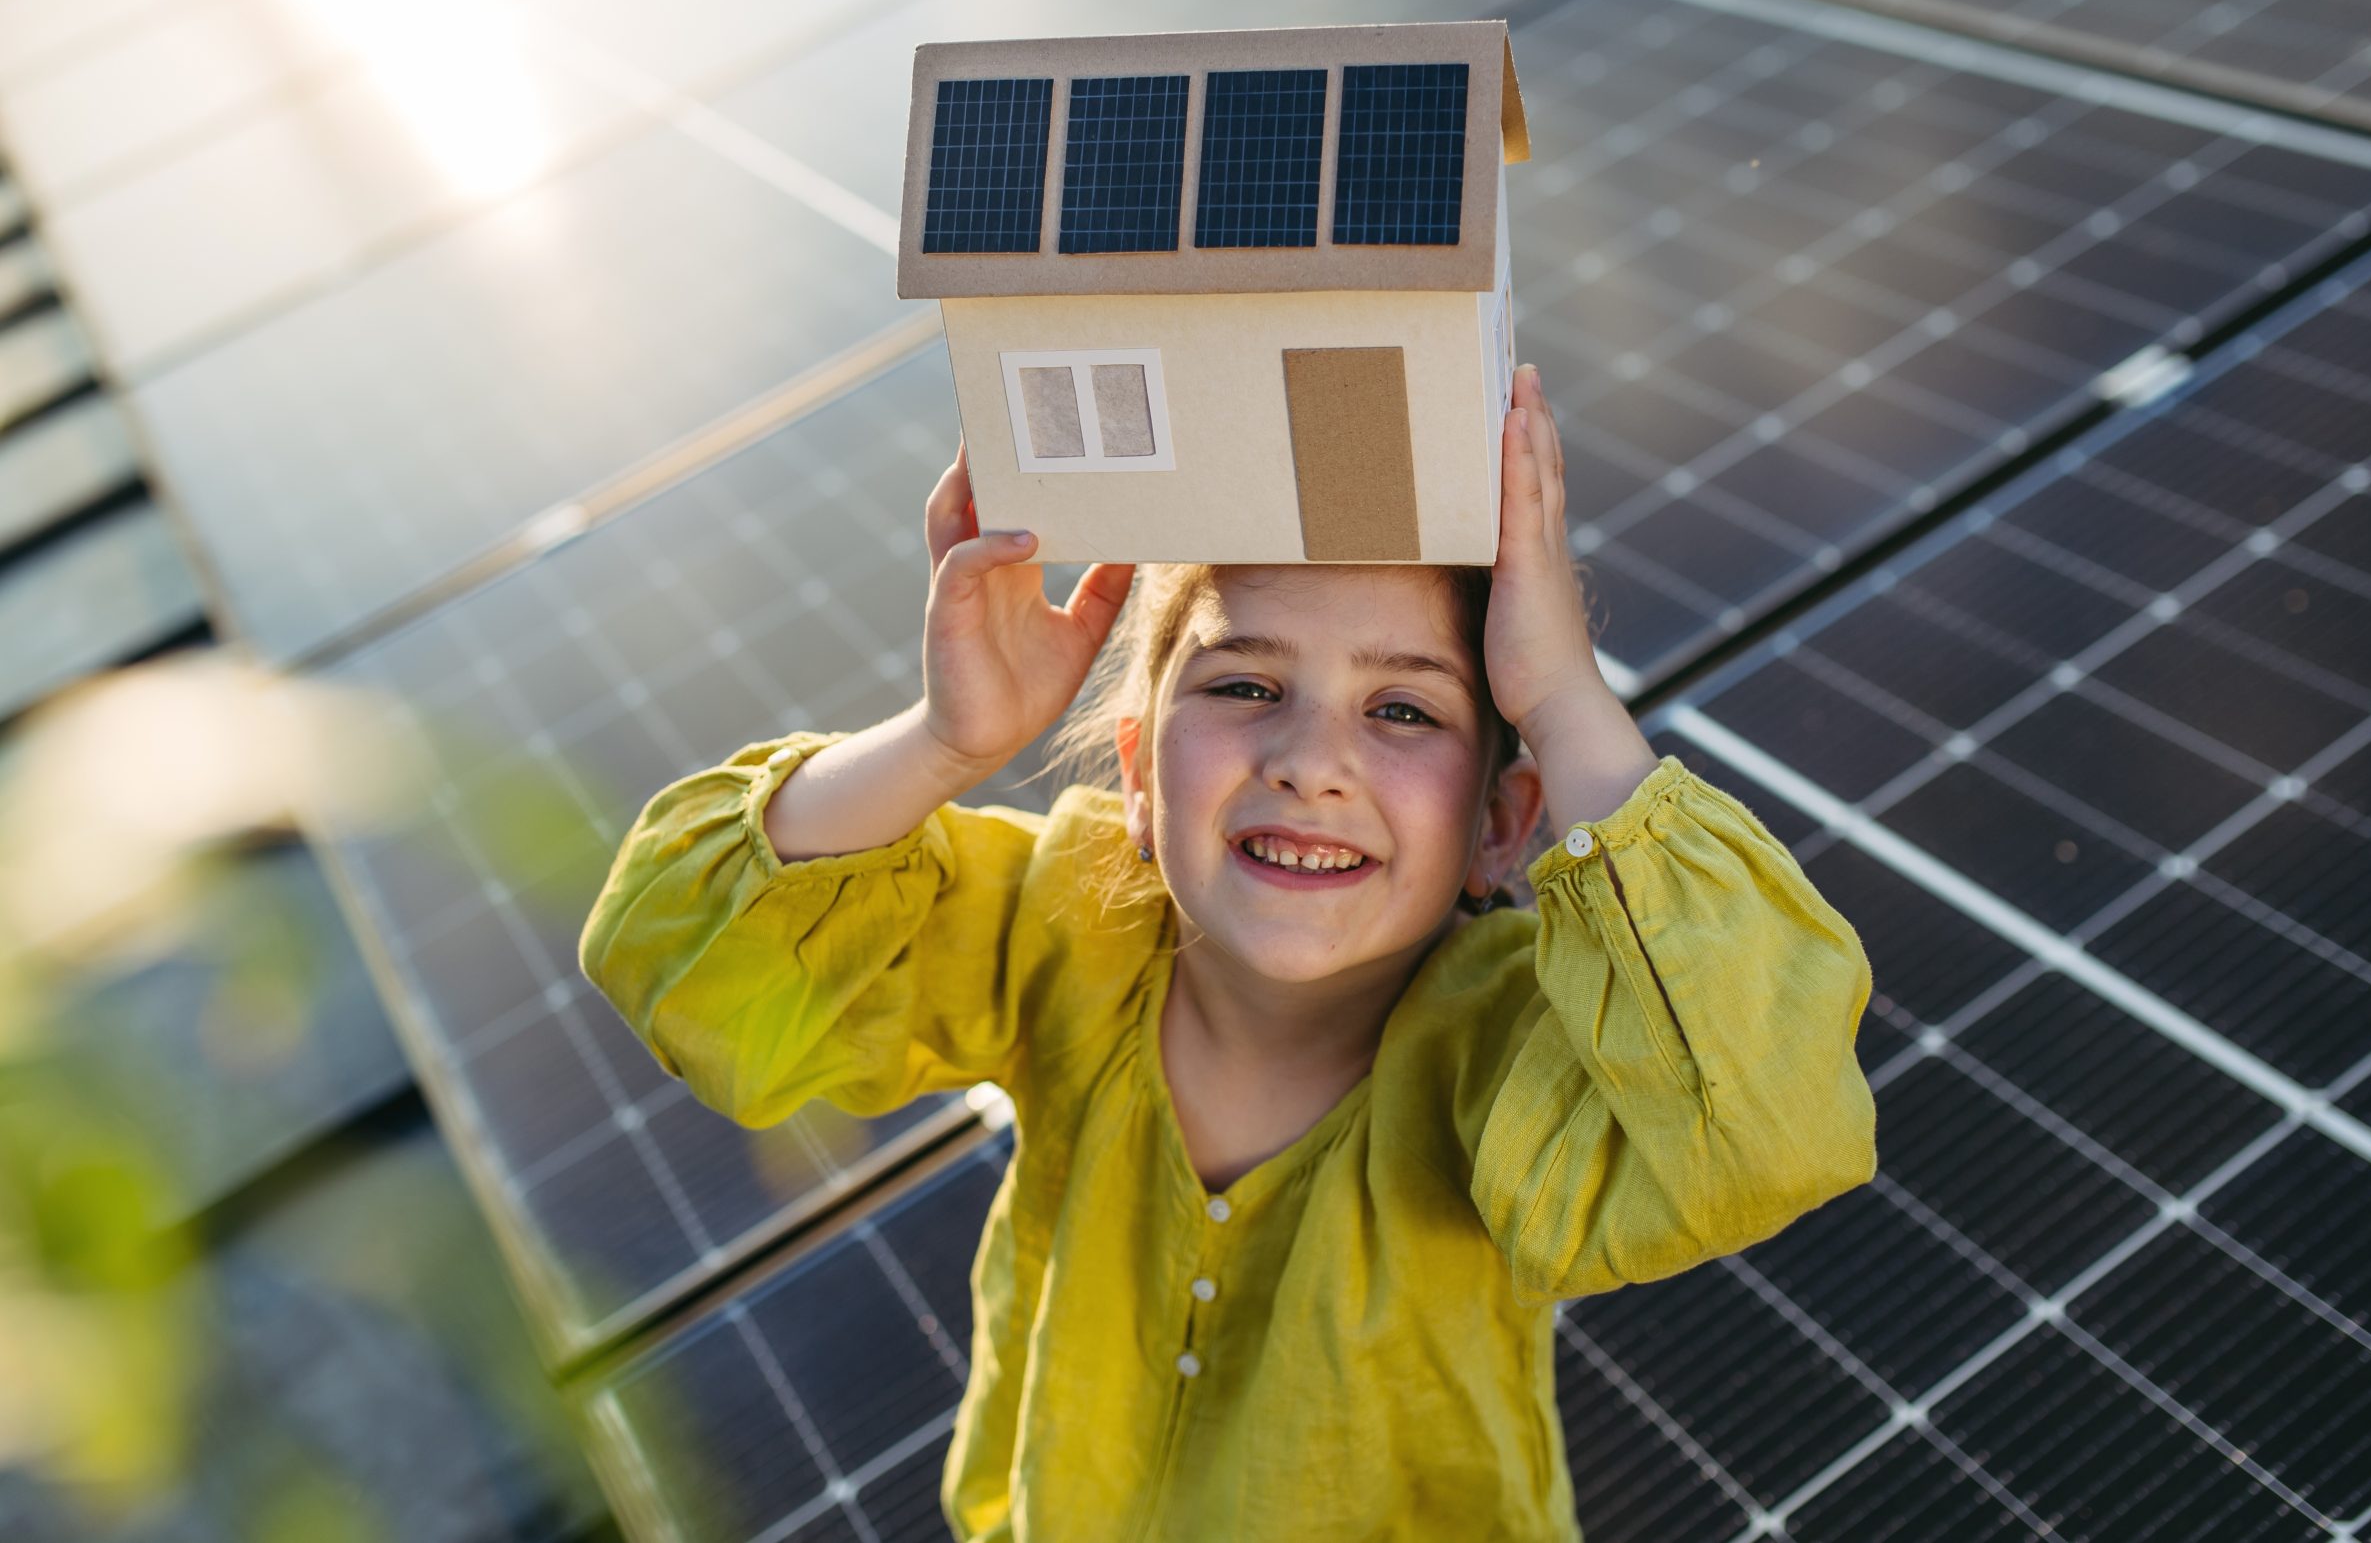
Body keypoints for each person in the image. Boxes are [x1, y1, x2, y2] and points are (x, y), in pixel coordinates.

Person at [579, 363, 1877, 1540]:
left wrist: (1564, 697)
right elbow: (689, 955)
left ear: (1501, 825)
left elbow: (1767, 1129)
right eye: (1245, 686)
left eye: (1405, 709)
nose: (1310, 761)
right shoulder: (1063, 923)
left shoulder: (1510, 1047)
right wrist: (945, 742)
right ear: (1139, 776)